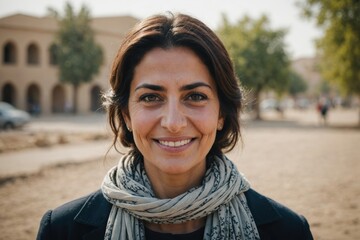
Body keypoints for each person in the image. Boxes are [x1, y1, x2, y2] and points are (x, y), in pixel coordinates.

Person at [37, 13, 313, 240]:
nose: (173, 123)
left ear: (221, 114)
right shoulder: (62, 230)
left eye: (195, 97)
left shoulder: (287, 231)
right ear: (126, 115)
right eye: (151, 97)